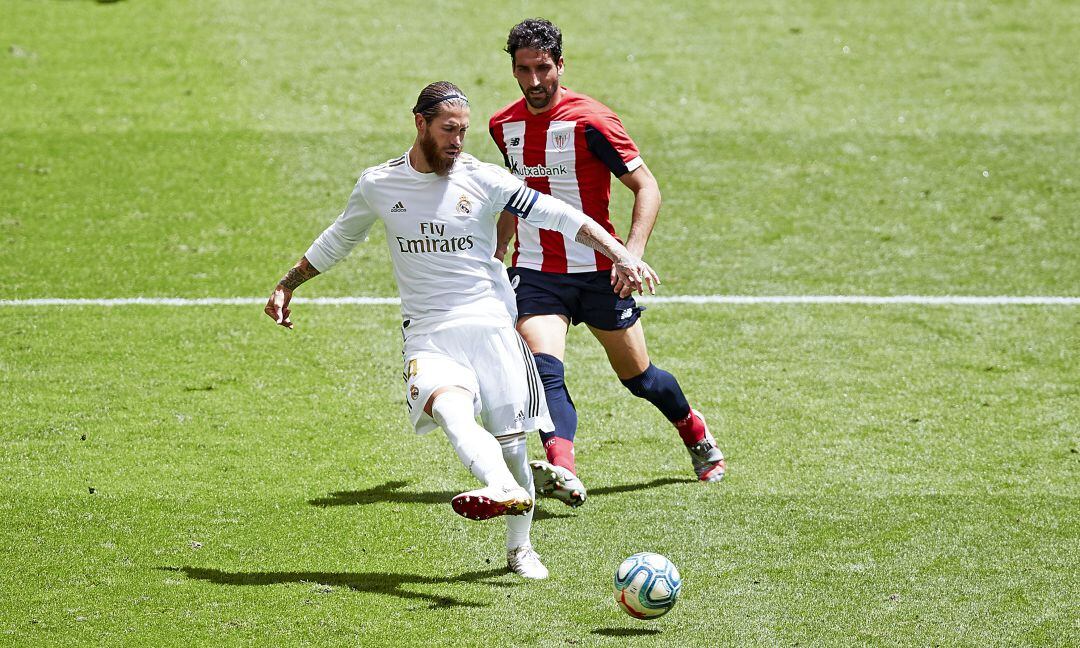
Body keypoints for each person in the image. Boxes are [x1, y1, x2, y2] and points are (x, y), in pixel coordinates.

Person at [264, 81, 658, 579]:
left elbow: (560, 215)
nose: (457, 141)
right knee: (449, 409)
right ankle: (501, 488)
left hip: (492, 326)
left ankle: (520, 548)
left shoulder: (483, 178)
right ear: (420, 123)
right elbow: (340, 237)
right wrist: (288, 283)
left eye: (464, 131)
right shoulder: (379, 185)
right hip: (429, 332)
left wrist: (620, 252)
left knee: (513, 445)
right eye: (448, 130)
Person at [489, 19, 726, 508]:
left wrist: (629, 257)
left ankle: (693, 429)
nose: (533, 82)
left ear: (560, 64)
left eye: (542, 69)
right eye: (522, 70)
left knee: (639, 379)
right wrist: (495, 260)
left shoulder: (592, 121)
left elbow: (647, 186)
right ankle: (563, 469)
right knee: (542, 371)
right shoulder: (502, 125)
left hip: (601, 273)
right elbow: (518, 198)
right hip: (536, 272)